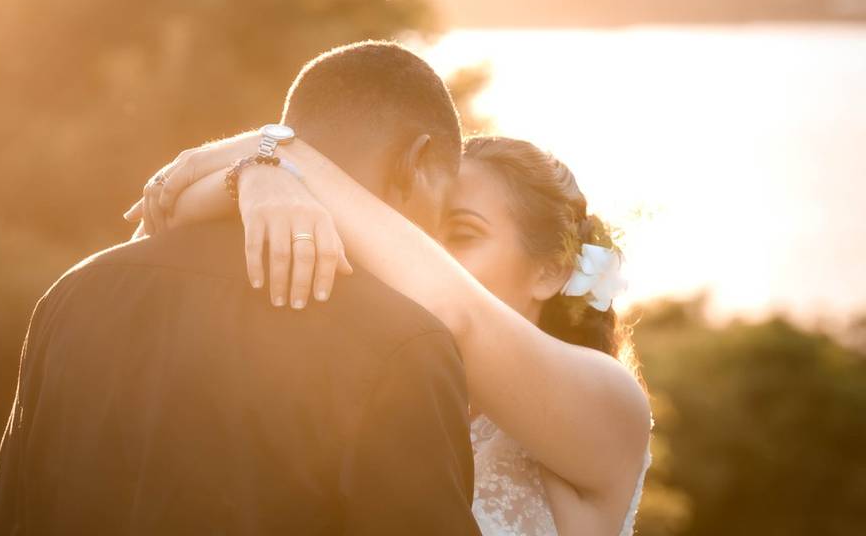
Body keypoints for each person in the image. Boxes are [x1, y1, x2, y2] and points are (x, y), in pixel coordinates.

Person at [0, 41, 481, 535]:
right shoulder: (405, 345)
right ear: (416, 161)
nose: (435, 241)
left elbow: (14, 515)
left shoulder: (73, 293)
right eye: (445, 211)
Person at [129, 102, 654, 535]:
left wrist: (282, 151)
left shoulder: (611, 406)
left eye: (462, 234)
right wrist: (261, 179)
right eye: (412, 233)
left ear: (551, 269)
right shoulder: (380, 390)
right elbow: (162, 224)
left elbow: (455, 310)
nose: (418, 256)